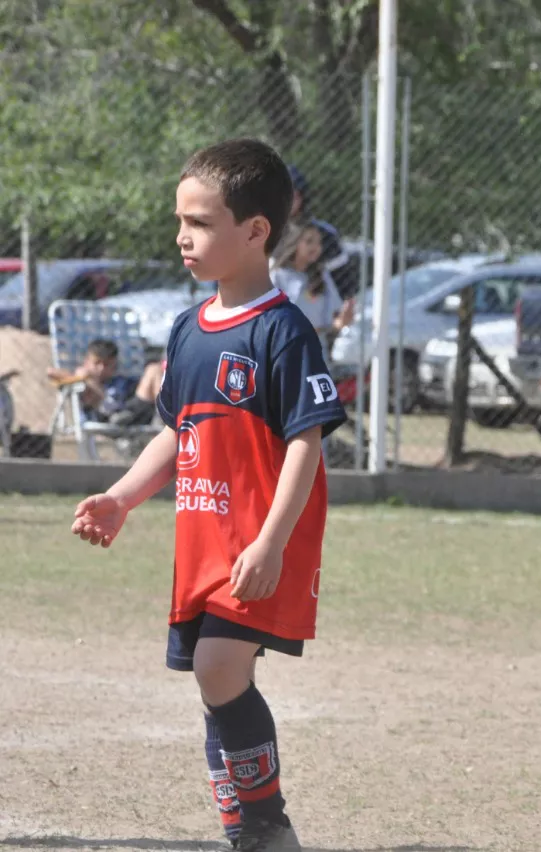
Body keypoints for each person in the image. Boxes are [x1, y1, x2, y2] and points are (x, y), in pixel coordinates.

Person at [70, 138, 347, 852]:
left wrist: (271, 541)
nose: (180, 235)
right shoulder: (188, 330)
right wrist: (123, 497)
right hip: (202, 543)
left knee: (218, 668)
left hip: (255, 544)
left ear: (255, 231)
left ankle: (265, 827)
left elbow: (306, 443)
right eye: (179, 219)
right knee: (212, 678)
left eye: (198, 221)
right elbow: (175, 434)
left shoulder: (283, 330)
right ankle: (242, 827)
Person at [271, 221, 355, 351]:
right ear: (295, 243)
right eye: (309, 241)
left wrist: (341, 321)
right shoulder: (277, 276)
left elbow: (329, 322)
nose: (316, 247)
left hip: (314, 352)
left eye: (318, 243)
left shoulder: (321, 276)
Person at [286, 165, 357, 300]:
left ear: (302, 197)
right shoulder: (260, 232)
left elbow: (344, 284)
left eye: (293, 196)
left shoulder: (323, 234)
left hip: (313, 308)